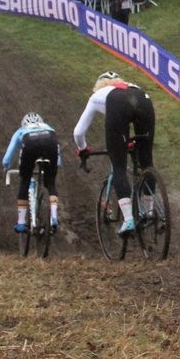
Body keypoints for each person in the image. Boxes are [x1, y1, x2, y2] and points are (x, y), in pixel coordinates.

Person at [74, 71, 156, 236]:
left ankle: (128, 220)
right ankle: (151, 211)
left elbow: (78, 132)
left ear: (99, 85)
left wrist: (82, 149)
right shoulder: (133, 86)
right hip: (143, 100)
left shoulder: (97, 95)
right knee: (146, 160)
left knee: (118, 164)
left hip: (118, 106)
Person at [3, 112, 62, 234]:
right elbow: (57, 148)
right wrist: (56, 163)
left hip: (30, 145)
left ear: (24, 123)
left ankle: (20, 222)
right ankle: (54, 217)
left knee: (25, 181)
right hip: (50, 143)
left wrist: (6, 166)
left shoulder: (21, 130)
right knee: (50, 183)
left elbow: (9, 153)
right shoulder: (48, 127)